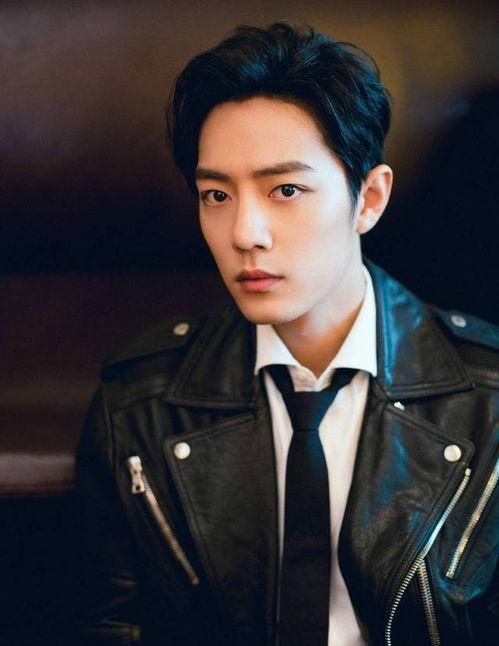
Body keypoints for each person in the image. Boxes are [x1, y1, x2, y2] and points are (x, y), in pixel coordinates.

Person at [76, 22, 499, 646]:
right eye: (215, 194)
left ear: (368, 199)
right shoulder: (139, 401)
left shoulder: (488, 399)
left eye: (286, 189)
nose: (245, 232)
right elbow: (111, 623)